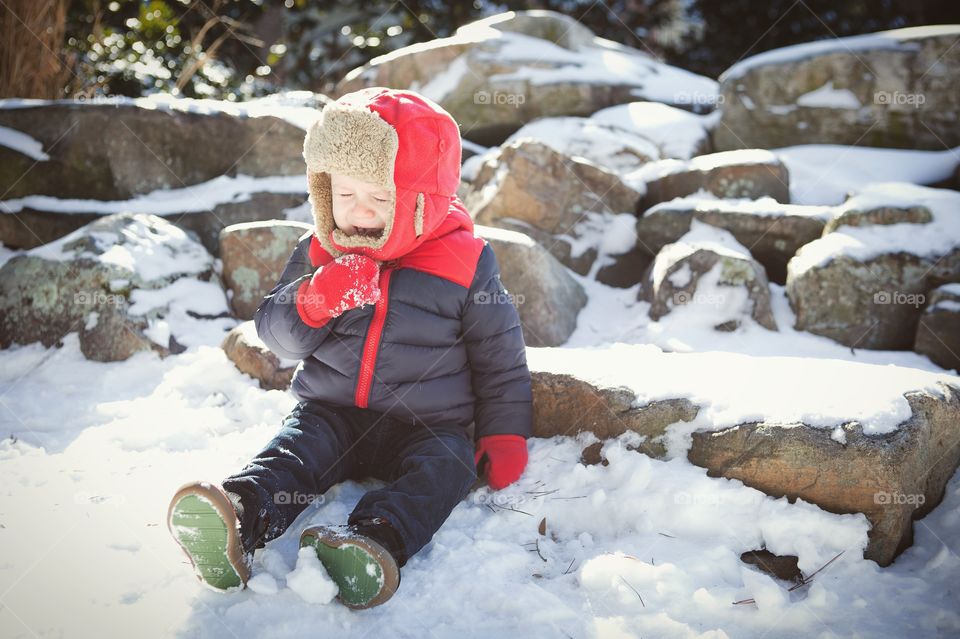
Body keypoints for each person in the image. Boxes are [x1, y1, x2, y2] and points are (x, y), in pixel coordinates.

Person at [167, 87, 533, 609]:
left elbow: (499, 358)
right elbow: (277, 337)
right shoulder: (319, 249)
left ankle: (375, 540)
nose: (357, 214)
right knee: (295, 452)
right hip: (333, 413)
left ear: (419, 200)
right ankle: (240, 513)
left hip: (427, 425)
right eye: (343, 196)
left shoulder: (466, 261)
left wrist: (503, 433)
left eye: (379, 198)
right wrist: (315, 299)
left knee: (448, 465)